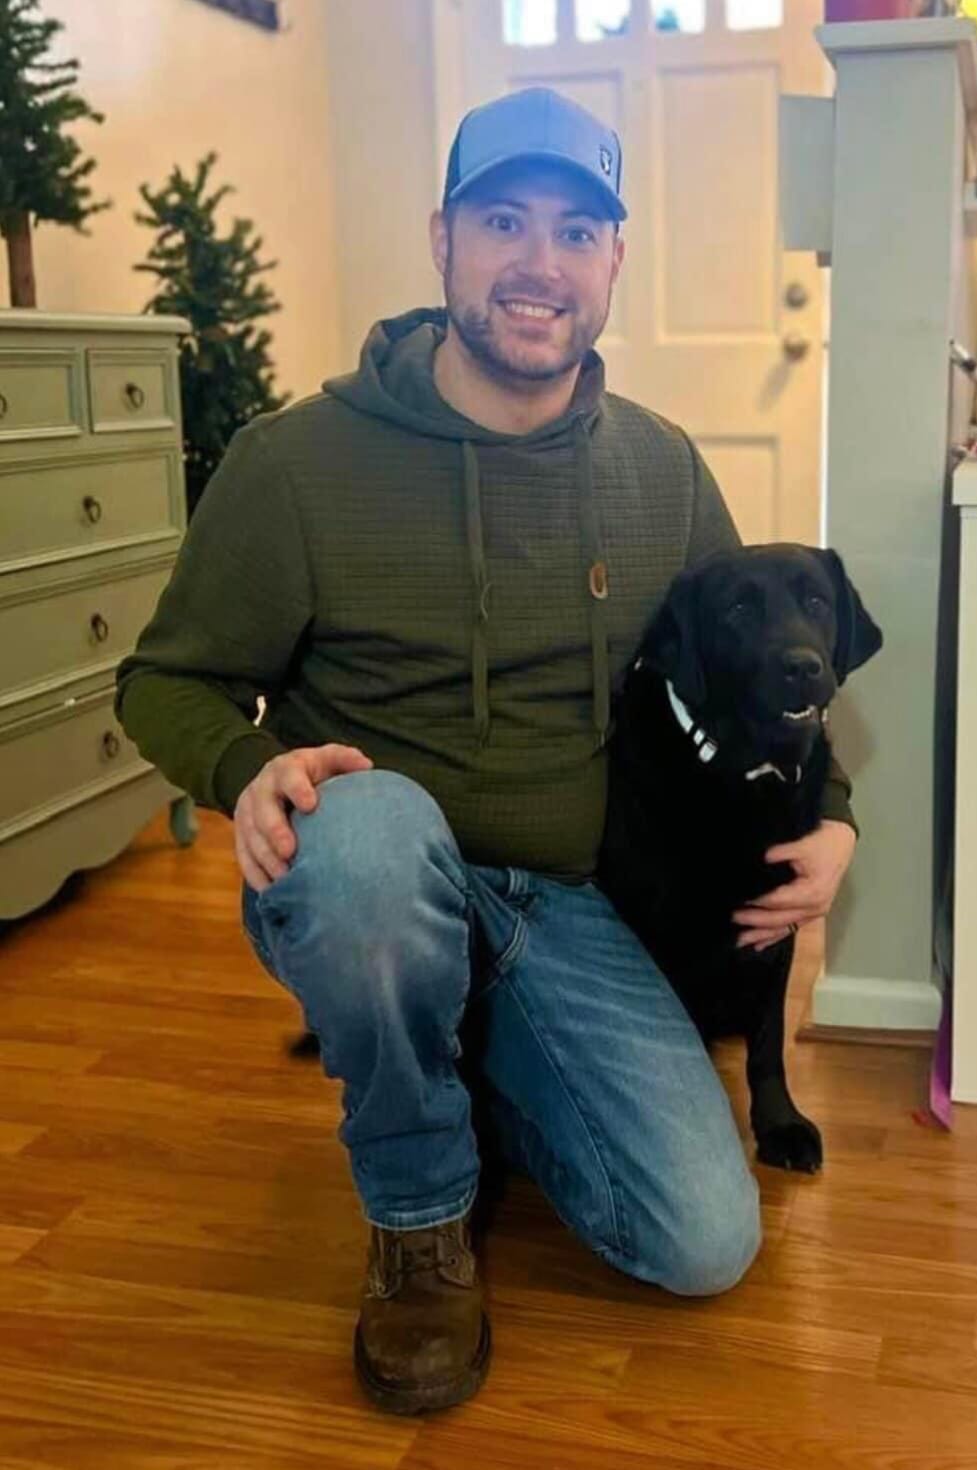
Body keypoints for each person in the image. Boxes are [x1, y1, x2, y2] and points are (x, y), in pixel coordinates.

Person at [116, 87, 859, 1416]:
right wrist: (246, 773)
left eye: (577, 231)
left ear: (612, 264)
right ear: (443, 239)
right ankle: (416, 1217)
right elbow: (163, 680)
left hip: (572, 904)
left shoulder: (661, 468)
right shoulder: (296, 463)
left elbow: (757, 668)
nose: (539, 263)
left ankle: (484, 1080)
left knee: (702, 1239)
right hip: (377, 873)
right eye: (503, 220)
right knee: (371, 839)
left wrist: (836, 813)